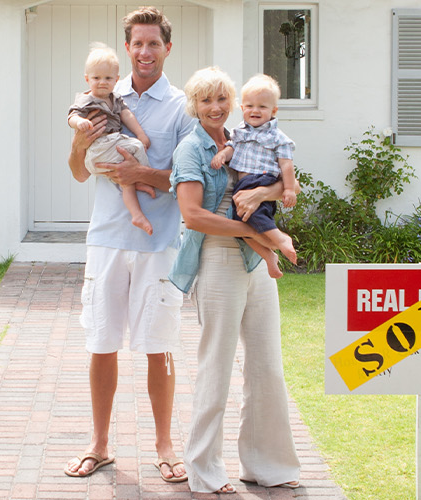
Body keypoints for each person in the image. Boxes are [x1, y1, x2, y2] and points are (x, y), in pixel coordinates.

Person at [63, 6, 194, 484]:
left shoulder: (182, 106)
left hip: (159, 243)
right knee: (101, 342)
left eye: (153, 43)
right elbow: (79, 170)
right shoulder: (100, 95)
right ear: (128, 48)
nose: (144, 52)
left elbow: (189, 178)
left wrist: (142, 174)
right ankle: (99, 445)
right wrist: (82, 142)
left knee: (158, 346)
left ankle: (164, 445)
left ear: (167, 48)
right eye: (137, 43)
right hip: (106, 240)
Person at [169, 67, 302, 495]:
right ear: (194, 105)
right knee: (216, 366)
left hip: (256, 263)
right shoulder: (190, 149)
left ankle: (269, 465)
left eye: (221, 99)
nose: (215, 107)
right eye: (205, 100)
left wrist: (262, 196)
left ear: (233, 102)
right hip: (219, 258)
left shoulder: (246, 136)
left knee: (267, 367)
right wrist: (251, 231)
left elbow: (282, 181)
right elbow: (193, 216)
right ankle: (205, 469)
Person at [208, 74, 299, 278]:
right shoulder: (239, 132)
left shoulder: (277, 138)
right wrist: (222, 154)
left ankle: (281, 239)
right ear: (242, 109)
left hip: (262, 179)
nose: (255, 111)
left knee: (256, 216)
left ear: (273, 111)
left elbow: (286, 165)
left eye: (262, 107)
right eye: (249, 106)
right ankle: (268, 257)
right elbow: (231, 148)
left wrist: (289, 189)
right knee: (241, 226)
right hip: (243, 185)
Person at [68, 43, 157, 235]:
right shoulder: (86, 100)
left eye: (108, 78)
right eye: (96, 78)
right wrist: (79, 122)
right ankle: (143, 176)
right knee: (135, 146)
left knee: (126, 179)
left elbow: (127, 116)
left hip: (109, 149)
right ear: (87, 79)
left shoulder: (115, 99)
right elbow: (71, 116)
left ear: (116, 79)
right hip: (98, 148)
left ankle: (136, 212)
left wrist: (141, 133)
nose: (102, 82)